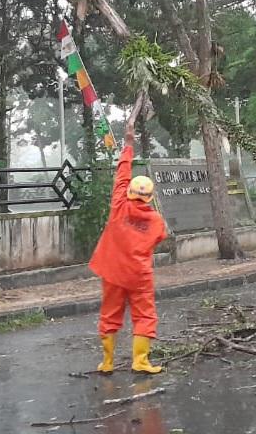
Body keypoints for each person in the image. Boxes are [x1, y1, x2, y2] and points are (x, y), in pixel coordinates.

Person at [89, 107, 168, 374]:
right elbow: (159, 239)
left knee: (110, 314)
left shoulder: (119, 204)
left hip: (111, 271)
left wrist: (128, 143)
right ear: (149, 197)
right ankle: (141, 361)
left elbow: (122, 174)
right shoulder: (156, 220)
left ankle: (107, 362)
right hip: (138, 274)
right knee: (144, 315)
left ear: (132, 192)